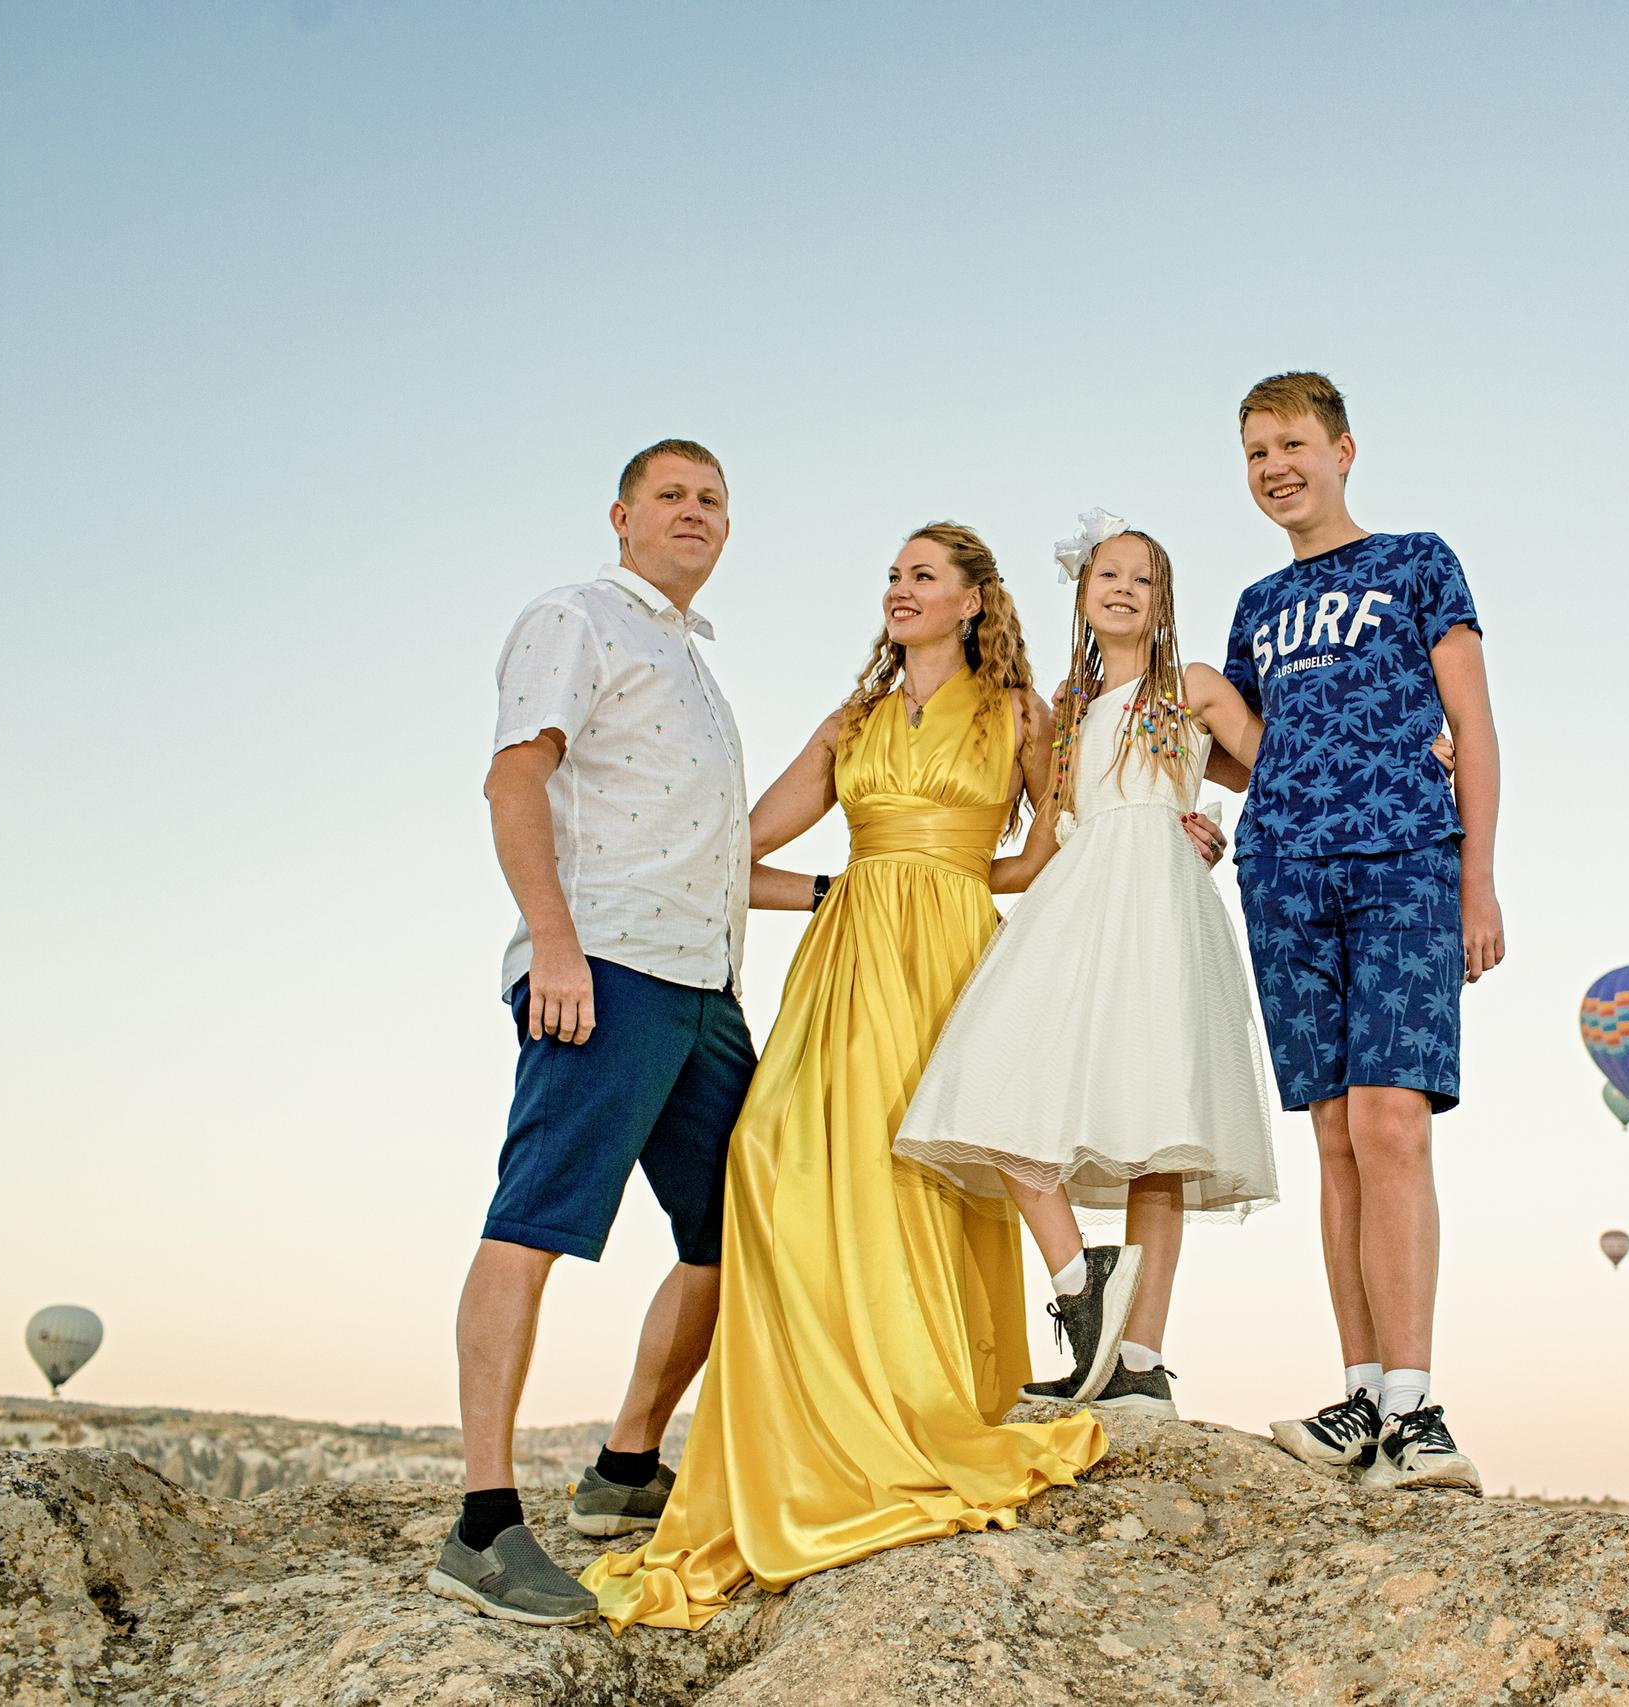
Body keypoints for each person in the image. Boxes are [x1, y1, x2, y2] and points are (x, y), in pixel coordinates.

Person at [580, 522, 1109, 1630]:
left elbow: (1053, 855)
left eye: (922, 575)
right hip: (847, 956)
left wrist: (981, 880)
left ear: (973, 600)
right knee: (771, 1160)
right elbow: (729, 845)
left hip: (959, 956)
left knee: (923, 1171)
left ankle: (925, 1400)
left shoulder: (1021, 716)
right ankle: (807, 1425)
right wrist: (831, 890)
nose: (899, 590)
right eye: (892, 575)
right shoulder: (851, 721)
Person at [429, 441, 756, 1626]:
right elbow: (514, 781)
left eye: (712, 500)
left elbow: (710, 853)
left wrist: (857, 890)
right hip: (604, 966)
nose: (694, 513)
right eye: (670, 495)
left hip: (704, 989)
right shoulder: (575, 616)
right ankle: (481, 1524)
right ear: (621, 518)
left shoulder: (692, 662)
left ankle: (624, 1470)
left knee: (741, 1233)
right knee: (536, 1223)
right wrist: (552, 942)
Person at [894, 510, 1276, 1421]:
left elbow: (1277, 769)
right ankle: (1081, 1280)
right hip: (1076, 897)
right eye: (1106, 573)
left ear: (1163, 600)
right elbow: (1042, 835)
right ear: (1081, 590)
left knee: (1159, 1131)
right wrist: (926, 870)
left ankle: (1139, 1359)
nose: (1121, 588)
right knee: (991, 1078)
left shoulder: (1192, 686)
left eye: (1142, 578)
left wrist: (1209, 823)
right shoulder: (1063, 708)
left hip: (1160, 899)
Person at [1221, 373, 1506, 1495]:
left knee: (1394, 1126)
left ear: (1343, 450)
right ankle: (1356, 1392)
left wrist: (1476, 878)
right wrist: (1182, 728)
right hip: (1283, 871)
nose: (1274, 466)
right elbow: (1254, 750)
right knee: (1335, 1137)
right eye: (1253, 452)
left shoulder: (1418, 561)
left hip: (1402, 862)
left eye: (1291, 443)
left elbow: (1472, 725)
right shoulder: (1253, 607)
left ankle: (1415, 1403)